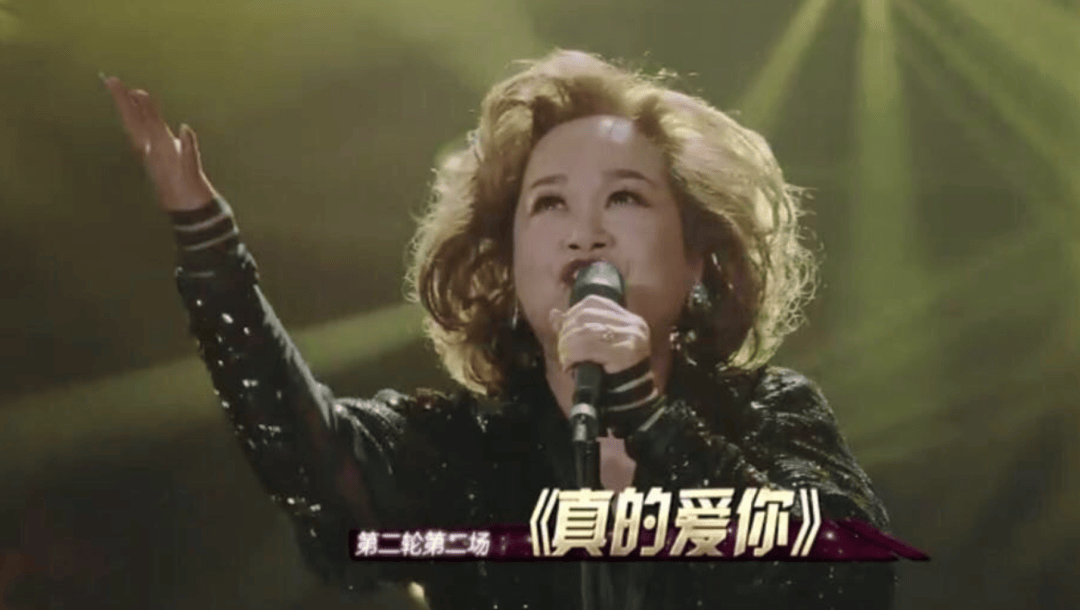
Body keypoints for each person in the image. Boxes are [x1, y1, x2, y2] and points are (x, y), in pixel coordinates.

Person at [103, 49, 896, 609]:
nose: (585, 233)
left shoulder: (768, 418)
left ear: (697, 259)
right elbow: (316, 459)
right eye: (549, 203)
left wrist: (649, 420)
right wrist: (210, 247)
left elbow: (840, 579)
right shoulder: (464, 450)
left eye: (624, 198)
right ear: (508, 266)